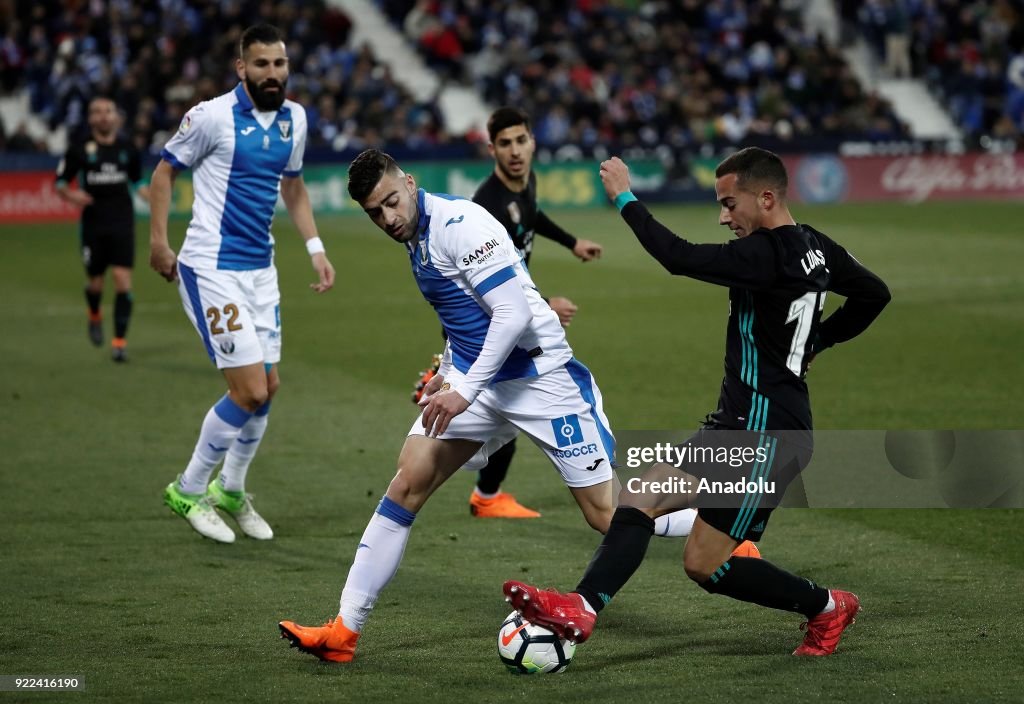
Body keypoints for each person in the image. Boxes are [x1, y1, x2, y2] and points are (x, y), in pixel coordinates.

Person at [503, 148, 891, 656]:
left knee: (703, 559)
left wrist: (624, 196)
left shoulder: (764, 254)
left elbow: (678, 256)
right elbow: (874, 293)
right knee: (659, 518)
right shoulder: (815, 247)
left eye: (731, 204)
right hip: (746, 424)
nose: (724, 216)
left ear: (767, 197)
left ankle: (826, 607)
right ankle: (582, 606)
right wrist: (819, 340)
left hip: (766, 434)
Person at [277, 148, 623, 663]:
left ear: (411, 183)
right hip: (481, 381)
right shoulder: (415, 239)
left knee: (606, 514)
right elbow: (470, 317)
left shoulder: (460, 223)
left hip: (541, 378)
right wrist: (448, 372)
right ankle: (343, 632)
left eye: (392, 201)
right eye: (375, 212)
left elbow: (509, 315)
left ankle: (721, 532)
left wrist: (463, 390)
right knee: (408, 479)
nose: (388, 218)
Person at [149, 23, 335, 544]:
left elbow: (293, 188)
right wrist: (160, 243)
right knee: (249, 388)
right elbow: (163, 173)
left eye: (279, 65)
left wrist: (315, 250)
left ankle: (230, 488)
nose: (272, 74)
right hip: (211, 267)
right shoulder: (209, 116)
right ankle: (187, 488)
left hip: (261, 271)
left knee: (269, 388)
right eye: (261, 65)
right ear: (241, 68)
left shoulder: (294, 119)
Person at [453, 105, 606, 519]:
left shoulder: (526, 182)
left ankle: (485, 494)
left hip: (516, 313)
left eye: (521, 140)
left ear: (533, 142)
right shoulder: (487, 207)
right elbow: (478, 282)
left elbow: (534, 216)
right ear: (492, 150)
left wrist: (571, 241)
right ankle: (480, 490)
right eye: (505, 144)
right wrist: (543, 307)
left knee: (509, 405)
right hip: (492, 315)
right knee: (508, 404)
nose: (515, 151)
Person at [55, 95, 148, 362]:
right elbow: (60, 182)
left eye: (108, 111)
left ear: (116, 117)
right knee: (95, 284)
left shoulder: (128, 148)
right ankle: (94, 314)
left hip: (122, 222)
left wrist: (153, 197)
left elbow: (137, 181)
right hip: (93, 224)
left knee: (122, 281)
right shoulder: (79, 149)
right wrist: (73, 197)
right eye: (97, 112)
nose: (104, 116)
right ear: (90, 118)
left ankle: (119, 342)